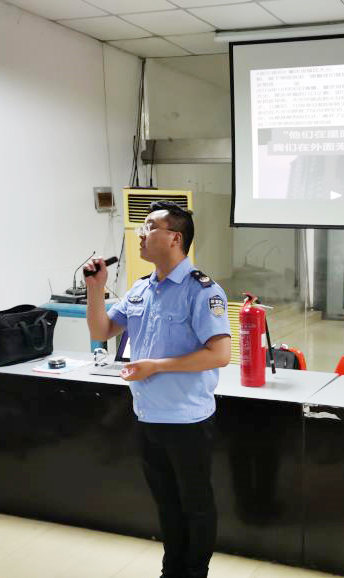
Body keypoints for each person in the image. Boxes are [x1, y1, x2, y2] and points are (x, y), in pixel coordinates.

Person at [85, 201, 231, 578]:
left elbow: (220, 354)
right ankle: (172, 570)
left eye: (150, 227)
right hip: (148, 416)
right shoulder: (140, 289)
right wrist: (95, 290)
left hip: (187, 420)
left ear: (175, 238)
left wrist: (156, 366)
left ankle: (194, 572)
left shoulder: (202, 290)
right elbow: (101, 330)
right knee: (166, 503)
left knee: (196, 506)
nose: (141, 234)